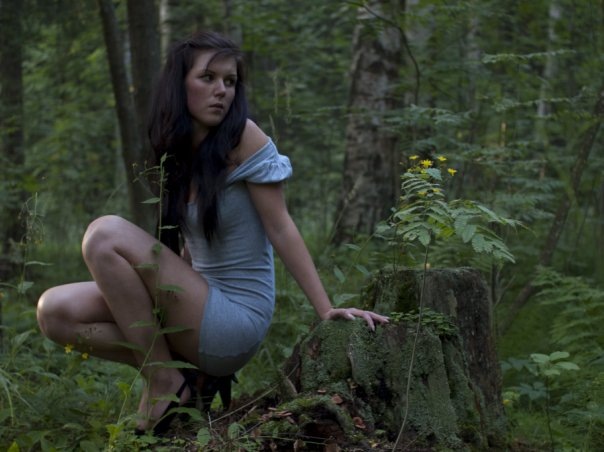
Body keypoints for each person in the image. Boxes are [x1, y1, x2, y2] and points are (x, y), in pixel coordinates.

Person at [36, 30, 389, 435]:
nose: (222, 90)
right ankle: (180, 376)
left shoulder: (243, 137)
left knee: (104, 234)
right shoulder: (179, 151)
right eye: (208, 78)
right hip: (198, 304)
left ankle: (164, 382)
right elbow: (190, 249)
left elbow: (281, 227)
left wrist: (325, 309)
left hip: (234, 319)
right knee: (55, 312)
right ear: (179, 84)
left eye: (230, 81)